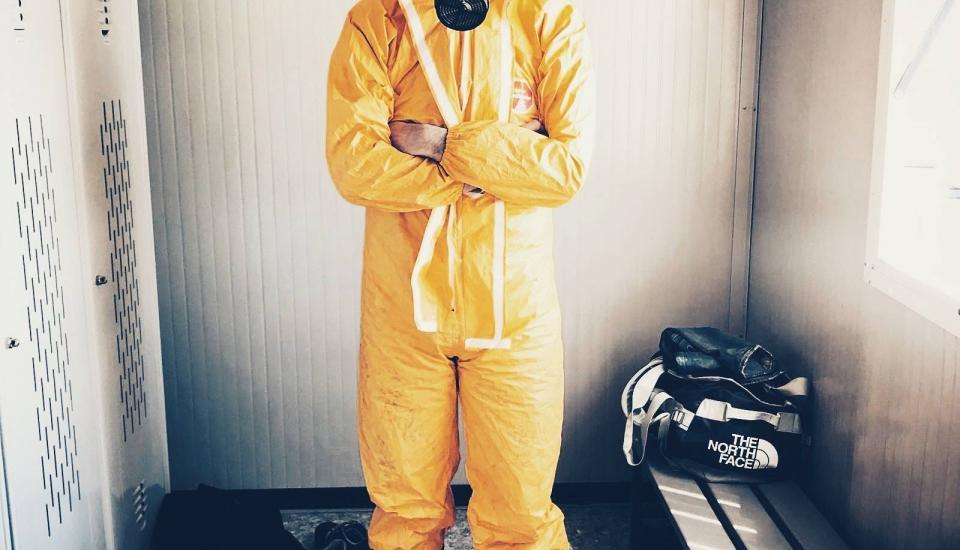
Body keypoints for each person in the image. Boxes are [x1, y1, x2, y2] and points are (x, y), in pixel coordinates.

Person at [326, 0, 594, 547]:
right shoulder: (378, 20)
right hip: (405, 317)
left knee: (521, 514)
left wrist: (439, 144)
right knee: (405, 512)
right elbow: (356, 166)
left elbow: (563, 171)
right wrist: (499, 167)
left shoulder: (548, 19)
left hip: (514, 318)